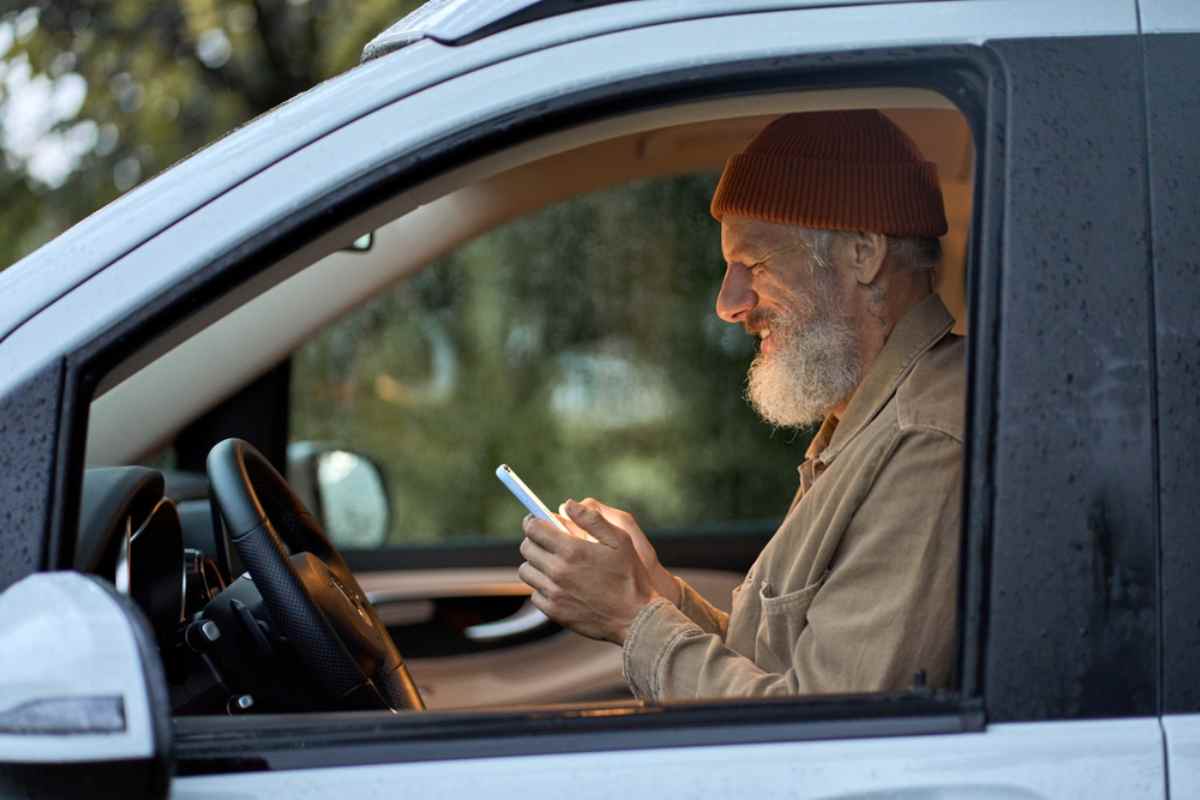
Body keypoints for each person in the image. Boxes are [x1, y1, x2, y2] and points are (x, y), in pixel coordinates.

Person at [517, 109, 964, 700]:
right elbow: (779, 669)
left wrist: (632, 620)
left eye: (752, 264)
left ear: (863, 253)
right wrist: (657, 594)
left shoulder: (924, 438)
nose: (728, 304)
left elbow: (832, 736)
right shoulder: (868, 418)